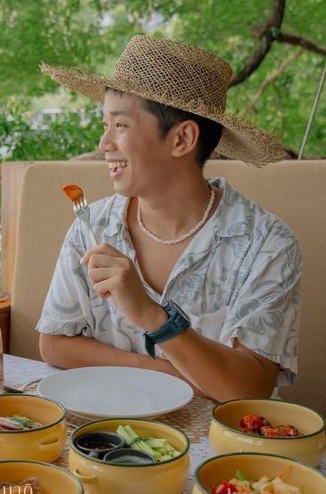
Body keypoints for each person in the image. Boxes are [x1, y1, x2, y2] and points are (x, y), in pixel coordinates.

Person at [36, 35, 301, 402]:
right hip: (106, 433)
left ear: (182, 140)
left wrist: (153, 318)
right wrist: (165, 372)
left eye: (121, 126)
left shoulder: (266, 244)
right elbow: (54, 344)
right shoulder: (91, 225)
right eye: (105, 124)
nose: (104, 143)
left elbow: (250, 389)